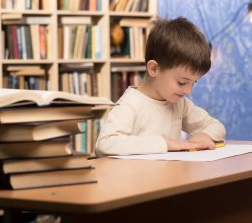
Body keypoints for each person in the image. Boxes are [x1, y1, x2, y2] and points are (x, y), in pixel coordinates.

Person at [95, 17, 226, 156]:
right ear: (154, 69)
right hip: (138, 176)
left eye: (193, 83)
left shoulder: (180, 104)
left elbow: (216, 126)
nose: (188, 91)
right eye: (182, 82)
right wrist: (165, 143)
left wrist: (204, 136)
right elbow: (105, 144)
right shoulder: (131, 103)